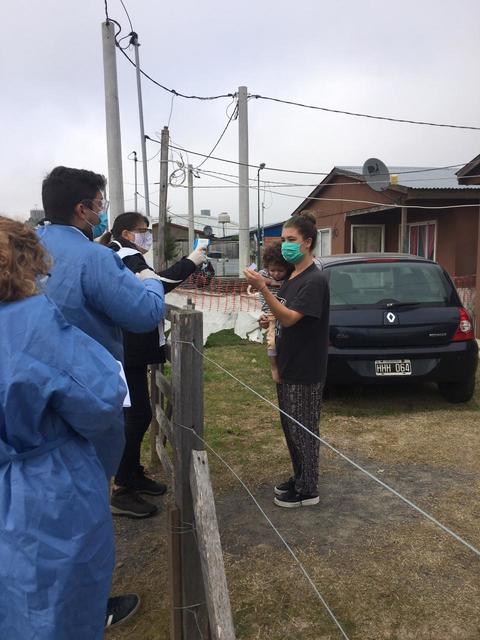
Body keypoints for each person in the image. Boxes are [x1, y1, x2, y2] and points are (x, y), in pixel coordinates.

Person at [37, 166, 165, 627]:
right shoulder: (94, 259)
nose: (102, 210)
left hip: (25, 403)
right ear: (82, 208)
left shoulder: (23, 250)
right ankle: (87, 610)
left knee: (37, 513)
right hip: (82, 397)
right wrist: (149, 278)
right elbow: (143, 312)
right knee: (84, 508)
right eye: (99, 202)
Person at [0, 216, 127, 640]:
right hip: (45, 487)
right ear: (25, 262)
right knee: (55, 608)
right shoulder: (32, 321)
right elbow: (99, 399)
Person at [100, 212, 206, 518]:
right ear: (127, 233)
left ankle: (131, 473)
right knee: (136, 416)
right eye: (143, 231)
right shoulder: (126, 254)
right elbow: (160, 284)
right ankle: (122, 487)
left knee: (138, 414)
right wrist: (192, 261)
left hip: (128, 345)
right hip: (126, 347)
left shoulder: (123, 253)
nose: (148, 236)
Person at [244, 211, 330, 508]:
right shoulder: (295, 275)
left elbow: (292, 318)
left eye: (291, 240)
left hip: (305, 366)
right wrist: (271, 319)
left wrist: (263, 288)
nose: (285, 246)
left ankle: (308, 489)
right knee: (290, 426)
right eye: (283, 240)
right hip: (289, 361)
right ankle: (300, 476)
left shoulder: (314, 279)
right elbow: (284, 313)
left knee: (303, 428)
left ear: (307, 242)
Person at [255, 241, 292, 382]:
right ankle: (274, 368)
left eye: (280, 271)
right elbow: (252, 274)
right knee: (271, 342)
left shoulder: (290, 277)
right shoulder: (264, 273)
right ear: (267, 266)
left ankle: (283, 365)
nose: (276, 274)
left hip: (283, 310)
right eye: (273, 270)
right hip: (269, 313)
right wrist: (270, 282)